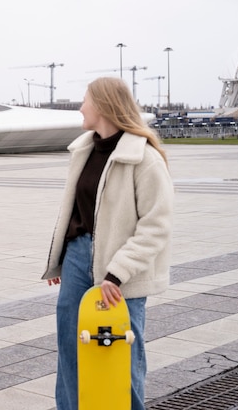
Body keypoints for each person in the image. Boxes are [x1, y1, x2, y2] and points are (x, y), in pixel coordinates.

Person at [42, 77, 173, 410]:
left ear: (102, 105)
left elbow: (156, 225)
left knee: (121, 354)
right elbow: (73, 208)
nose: (80, 107)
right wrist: (60, 259)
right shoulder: (83, 150)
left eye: (84, 100)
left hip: (121, 271)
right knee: (71, 350)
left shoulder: (144, 158)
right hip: (76, 259)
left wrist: (117, 272)